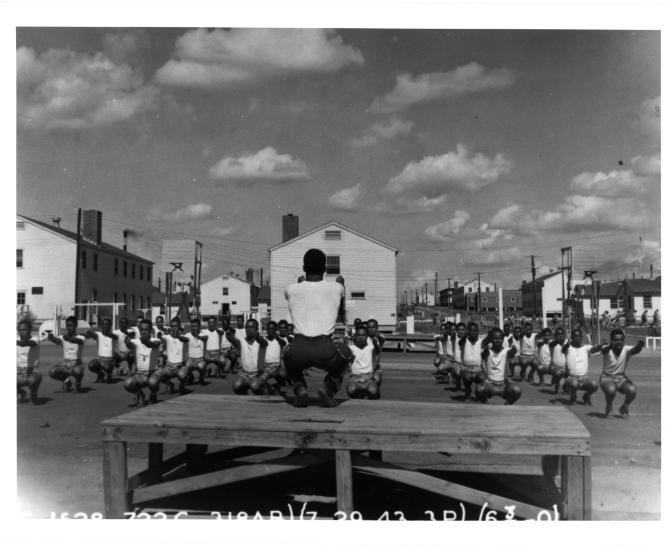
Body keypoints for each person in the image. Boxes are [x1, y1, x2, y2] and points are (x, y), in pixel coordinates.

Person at [282, 249, 353, 407]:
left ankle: (300, 389)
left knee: (286, 353)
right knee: (347, 353)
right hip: (325, 348)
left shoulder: (291, 289)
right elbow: (340, 302)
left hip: (299, 348)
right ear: (325, 269)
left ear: (303, 267)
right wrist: (341, 283)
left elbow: (299, 293)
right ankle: (328, 389)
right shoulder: (337, 288)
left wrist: (301, 284)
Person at [599, 330, 645, 418]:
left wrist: (639, 346)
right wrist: (610, 346)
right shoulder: (607, 348)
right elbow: (604, 351)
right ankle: (609, 406)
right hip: (606, 377)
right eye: (616, 339)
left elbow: (635, 350)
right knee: (611, 390)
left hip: (621, 377)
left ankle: (624, 407)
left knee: (632, 390)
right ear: (611, 340)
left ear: (624, 340)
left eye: (621, 339)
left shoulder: (626, 349)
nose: (618, 342)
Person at [476, 327, 521, 404]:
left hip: (503, 384)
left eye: (500, 338)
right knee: (479, 389)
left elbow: (512, 352)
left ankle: (508, 403)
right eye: (495, 338)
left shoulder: (506, 351)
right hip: (490, 383)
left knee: (517, 390)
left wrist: (514, 348)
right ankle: (485, 403)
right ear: (491, 339)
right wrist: (487, 348)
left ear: (503, 339)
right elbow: (484, 355)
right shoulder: (488, 351)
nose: (498, 340)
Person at [123, 319, 162, 406]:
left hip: (153, 372)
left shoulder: (156, 340)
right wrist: (127, 342)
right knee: (127, 384)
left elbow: (151, 345)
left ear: (151, 330)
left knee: (153, 382)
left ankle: (153, 394)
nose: (143, 332)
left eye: (146, 329)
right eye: (141, 329)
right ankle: (140, 395)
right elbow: (129, 344)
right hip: (140, 374)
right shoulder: (135, 342)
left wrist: (144, 341)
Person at [227, 318, 269, 395]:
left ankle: (265, 388)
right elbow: (232, 339)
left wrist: (258, 337)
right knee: (236, 385)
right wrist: (229, 332)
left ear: (257, 329)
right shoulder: (241, 341)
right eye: (247, 327)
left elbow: (264, 342)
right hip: (245, 374)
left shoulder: (262, 341)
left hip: (258, 374)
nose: (249, 329)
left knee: (254, 386)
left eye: (252, 327)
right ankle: (246, 394)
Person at [562, 329, 603, 405]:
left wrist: (600, 346)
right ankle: (573, 396)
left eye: (579, 336)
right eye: (575, 336)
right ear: (572, 337)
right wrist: (567, 345)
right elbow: (563, 349)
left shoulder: (586, 347)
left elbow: (593, 350)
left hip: (584, 378)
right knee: (574, 384)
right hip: (572, 378)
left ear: (582, 337)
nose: (577, 338)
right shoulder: (568, 348)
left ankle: (587, 396)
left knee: (594, 385)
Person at [46, 316, 85, 393]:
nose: (69, 328)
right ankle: (67, 382)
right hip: (65, 365)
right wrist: (52, 338)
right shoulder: (63, 337)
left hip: (76, 365)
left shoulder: (81, 337)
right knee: (52, 372)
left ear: (76, 326)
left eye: (71, 326)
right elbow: (57, 341)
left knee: (78, 371)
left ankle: (78, 383)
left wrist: (69, 339)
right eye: (67, 326)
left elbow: (78, 341)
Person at [346, 325, 382, 399]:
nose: (361, 337)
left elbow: (377, 351)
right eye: (359, 335)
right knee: (350, 390)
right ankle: (360, 394)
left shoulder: (371, 348)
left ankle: (369, 392)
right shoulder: (351, 348)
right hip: (356, 378)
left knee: (373, 391)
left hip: (368, 378)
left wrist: (376, 344)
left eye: (363, 335)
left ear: (367, 336)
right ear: (355, 336)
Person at [156, 317, 190, 395]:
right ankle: (170, 384)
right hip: (169, 367)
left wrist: (178, 336)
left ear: (179, 326)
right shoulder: (166, 337)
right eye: (172, 326)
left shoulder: (185, 337)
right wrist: (160, 338)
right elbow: (160, 339)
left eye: (176, 326)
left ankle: (182, 386)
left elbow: (185, 340)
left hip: (181, 366)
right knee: (157, 375)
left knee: (182, 375)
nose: (174, 328)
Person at [458, 322, 487, 402]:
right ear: (468, 332)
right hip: (466, 368)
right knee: (467, 377)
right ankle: (467, 394)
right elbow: (461, 342)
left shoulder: (481, 342)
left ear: (478, 332)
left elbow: (488, 340)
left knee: (482, 378)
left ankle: (481, 394)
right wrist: (465, 334)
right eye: (470, 330)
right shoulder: (464, 341)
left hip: (478, 368)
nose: (473, 332)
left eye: (475, 331)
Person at [85, 317, 118, 384]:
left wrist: (107, 333)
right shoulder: (98, 334)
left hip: (110, 360)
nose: (105, 326)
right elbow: (93, 335)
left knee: (107, 367)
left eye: (107, 324)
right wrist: (89, 333)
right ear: (101, 326)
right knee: (91, 365)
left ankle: (109, 375)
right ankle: (101, 374)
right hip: (100, 360)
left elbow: (115, 337)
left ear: (110, 326)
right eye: (103, 324)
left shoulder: (113, 335)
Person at [17, 320, 42, 404]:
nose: (22, 332)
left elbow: (25, 343)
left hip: (33, 372)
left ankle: (33, 394)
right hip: (19, 372)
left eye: (24, 330)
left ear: (30, 330)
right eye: (20, 330)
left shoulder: (35, 339)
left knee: (32, 381)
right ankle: (21, 392)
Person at [183, 319, 207, 385]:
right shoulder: (187, 335)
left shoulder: (203, 333)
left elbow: (205, 338)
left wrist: (197, 336)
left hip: (200, 359)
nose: (194, 328)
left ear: (199, 327)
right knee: (186, 365)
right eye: (192, 326)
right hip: (190, 359)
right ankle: (191, 377)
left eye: (195, 326)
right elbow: (183, 339)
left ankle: (201, 378)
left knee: (201, 366)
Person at [548, 327, 568, 393]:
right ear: (555, 335)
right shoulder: (552, 342)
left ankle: (566, 387)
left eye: (562, 333)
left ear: (564, 335)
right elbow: (551, 344)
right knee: (558, 373)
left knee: (573, 373)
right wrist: (557, 340)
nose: (560, 335)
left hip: (565, 367)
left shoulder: (567, 342)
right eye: (558, 334)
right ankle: (557, 386)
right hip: (554, 367)